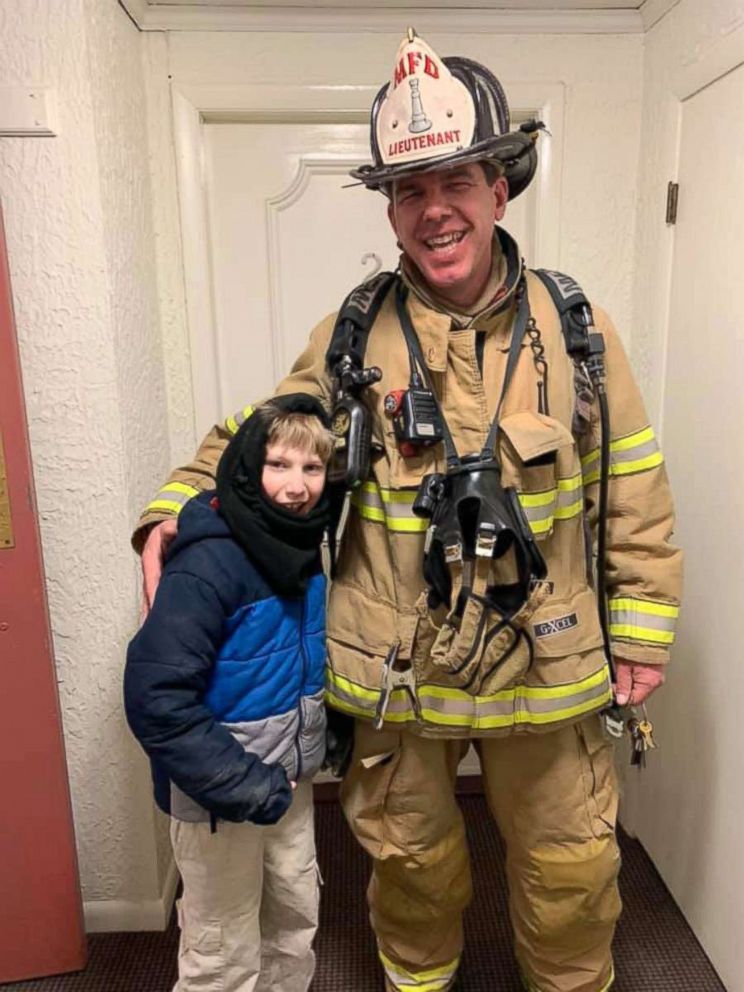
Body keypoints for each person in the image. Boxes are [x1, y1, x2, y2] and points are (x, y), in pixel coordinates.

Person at [132, 31, 682, 992]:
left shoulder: (576, 330)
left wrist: (640, 632)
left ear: (498, 191)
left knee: (572, 872)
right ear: (391, 209)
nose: (434, 211)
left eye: (456, 182)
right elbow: (268, 438)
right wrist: (174, 506)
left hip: (545, 664)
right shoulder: (353, 333)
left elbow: (632, 485)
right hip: (399, 674)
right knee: (412, 870)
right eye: (408, 190)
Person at [125, 394, 333, 992]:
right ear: (245, 467)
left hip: (286, 784)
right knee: (222, 948)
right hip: (220, 794)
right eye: (278, 465)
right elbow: (157, 700)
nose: (297, 487)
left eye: (311, 469)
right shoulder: (209, 559)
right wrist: (243, 784)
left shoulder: (300, 547)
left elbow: (295, 658)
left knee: (293, 923)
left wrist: (319, 741)